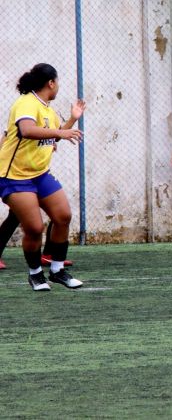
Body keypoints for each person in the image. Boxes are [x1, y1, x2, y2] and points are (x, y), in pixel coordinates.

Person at [0, 63, 85, 291]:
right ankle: (36, 274)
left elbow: (53, 137)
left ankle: (57, 271)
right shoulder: (26, 103)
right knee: (35, 227)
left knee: (63, 216)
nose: (58, 86)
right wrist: (61, 131)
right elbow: (27, 130)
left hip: (39, 174)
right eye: (57, 82)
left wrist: (71, 120)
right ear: (50, 83)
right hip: (15, 177)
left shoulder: (47, 108)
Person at [0, 132, 74, 270]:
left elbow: (54, 136)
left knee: (59, 213)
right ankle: (40, 266)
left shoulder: (46, 117)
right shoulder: (23, 119)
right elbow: (8, 141)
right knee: (16, 218)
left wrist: (49, 142)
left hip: (36, 174)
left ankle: (48, 255)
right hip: (16, 176)